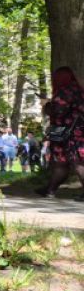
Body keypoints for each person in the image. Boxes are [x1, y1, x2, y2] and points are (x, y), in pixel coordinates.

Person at [36, 66, 84, 200]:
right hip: (73, 130)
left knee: (76, 162)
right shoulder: (78, 90)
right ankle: (50, 190)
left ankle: (50, 190)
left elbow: (57, 111)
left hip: (69, 131)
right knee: (61, 162)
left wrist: (46, 105)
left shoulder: (64, 91)